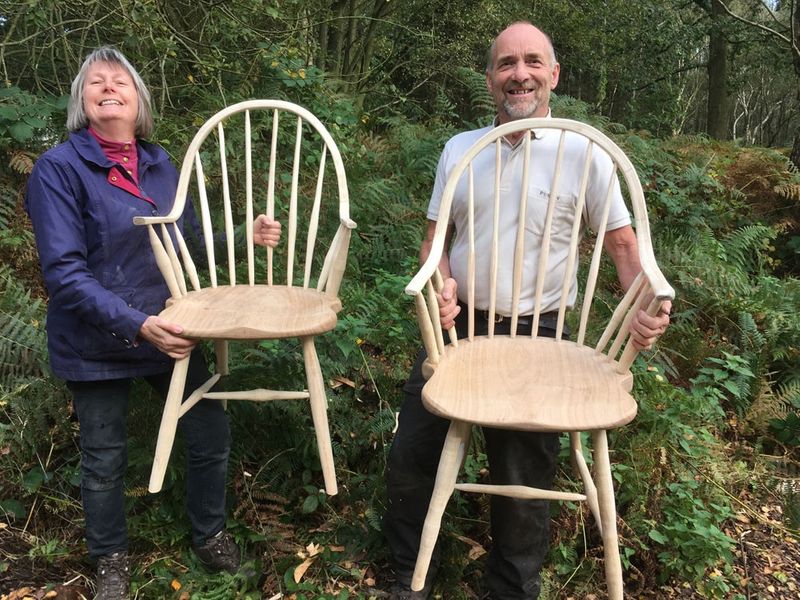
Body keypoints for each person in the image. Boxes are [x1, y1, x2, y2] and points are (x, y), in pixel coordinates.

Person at [382, 22, 672, 599]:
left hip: (541, 333)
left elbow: (622, 248)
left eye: (533, 62)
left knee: (522, 471)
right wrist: (440, 283)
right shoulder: (460, 150)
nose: (520, 74)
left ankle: (512, 587)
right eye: (507, 64)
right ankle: (406, 571)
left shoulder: (584, 153)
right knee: (413, 452)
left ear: (553, 75)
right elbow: (435, 245)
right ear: (490, 79)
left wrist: (650, 300)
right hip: (460, 328)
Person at [25, 46, 281, 600]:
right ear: (82, 102)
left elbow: (186, 244)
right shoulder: (59, 170)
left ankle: (209, 533)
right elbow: (65, 274)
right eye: (96, 82)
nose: (109, 87)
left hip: (171, 325)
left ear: (139, 101)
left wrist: (244, 235)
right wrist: (138, 324)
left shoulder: (163, 165)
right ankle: (110, 557)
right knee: (103, 456)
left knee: (210, 433)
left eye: (121, 81)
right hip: (97, 335)